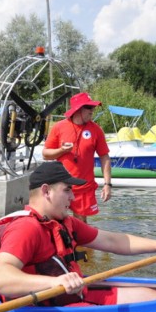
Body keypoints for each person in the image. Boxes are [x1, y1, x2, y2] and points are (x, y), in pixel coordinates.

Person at [0, 161, 156, 307]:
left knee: (152, 296)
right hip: (48, 309)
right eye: (67, 190)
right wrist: (55, 282)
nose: (73, 197)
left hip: (73, 296)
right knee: (153, 302)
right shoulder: (26, 228)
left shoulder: (65, 223)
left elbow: (112, 240)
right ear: (46, 191)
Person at [42, 92, 112, 223]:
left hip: (84, 187)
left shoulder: (96, 130)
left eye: (93, 107)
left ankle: (79, 244)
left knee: (81, 226)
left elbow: (105, 158)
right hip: (60, 185)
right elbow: (45, 154)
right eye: (89, 108)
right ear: (78, 109)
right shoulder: (59, 127)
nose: (93, 110)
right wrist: (61, 150)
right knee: (56, 222)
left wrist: (107, 184)